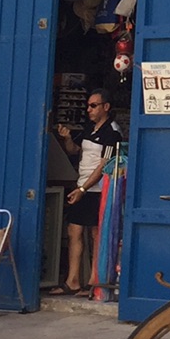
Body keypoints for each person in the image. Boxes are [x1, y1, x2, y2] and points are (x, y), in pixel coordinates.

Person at [62, 92, 122, 295]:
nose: (89, 109)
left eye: (94, 105)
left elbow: (104, 166)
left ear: (106, 107)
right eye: (88, 105)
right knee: (74, 231)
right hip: (82, 185)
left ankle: (94, 281)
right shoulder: (89, 128)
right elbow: (74, 150)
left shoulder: (112, 133)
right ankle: (73, 280)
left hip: (97, 189)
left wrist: (83, 189)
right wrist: (67, 138)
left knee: (96, 234)